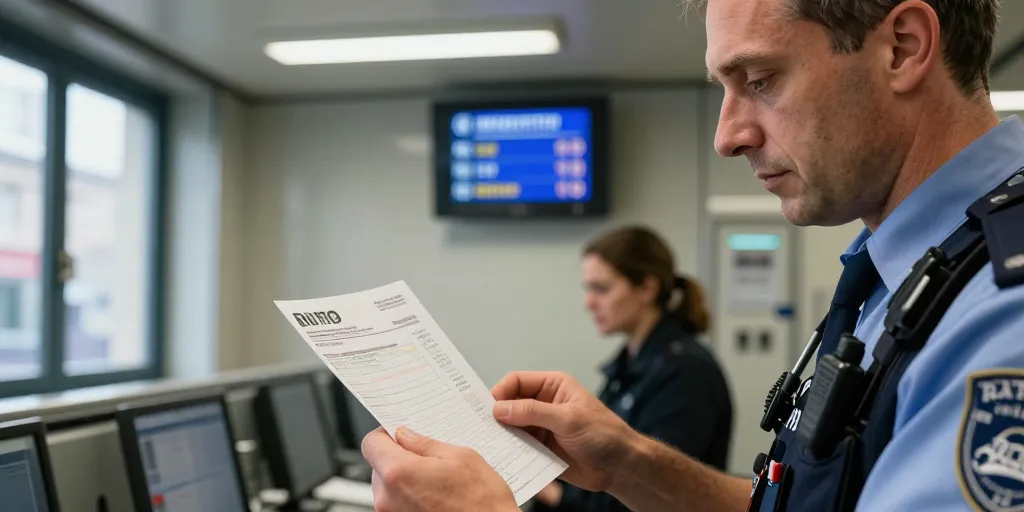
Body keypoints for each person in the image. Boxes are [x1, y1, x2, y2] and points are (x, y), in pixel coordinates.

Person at [359, 0, 1024, 510]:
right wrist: (627, 462)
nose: (727, 136)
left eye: (761, 80)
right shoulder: (908, 273)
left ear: (902, 48)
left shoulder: (1004, 314)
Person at [532, 226, 732, 512]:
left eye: (601, 288)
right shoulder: (629, 366)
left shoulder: (687, 372)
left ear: (647, 288)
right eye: (588, 289)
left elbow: (655, 492)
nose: (589, 303)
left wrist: (552, 493)